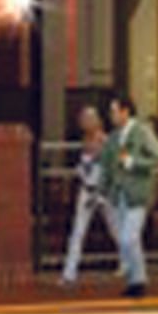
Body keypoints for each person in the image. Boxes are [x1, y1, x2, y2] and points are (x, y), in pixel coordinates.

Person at [102, 93, 158, 299]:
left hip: (137, 193)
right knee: (126, 238)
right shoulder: (112, 137)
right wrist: (102, 191)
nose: (111, 115)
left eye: (114, 111)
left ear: (125, 111)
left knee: (129, 237)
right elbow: (107, 167)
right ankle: (135, 281)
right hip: (118, 195)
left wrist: (133, 162)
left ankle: (138, 279)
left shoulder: (142, 132)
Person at [58, 105, 109, 287]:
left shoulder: (105, 141)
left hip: (104, 192)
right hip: (86, 191)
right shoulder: (80, 143)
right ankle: (69, 274)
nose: (86, 121)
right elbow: (78, 167)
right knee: (78, 231)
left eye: (90, 118)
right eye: (84, 118)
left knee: (117, 230)